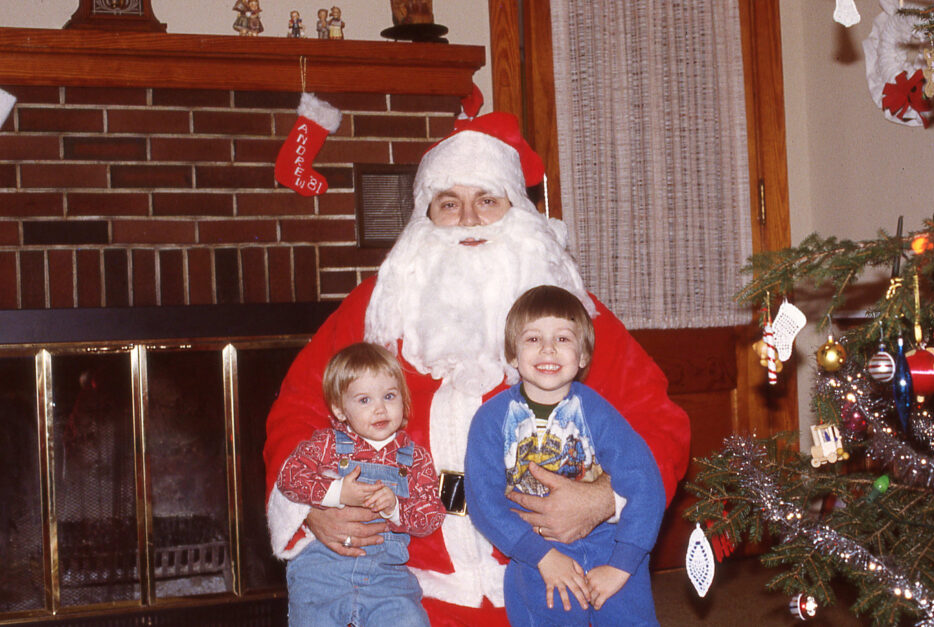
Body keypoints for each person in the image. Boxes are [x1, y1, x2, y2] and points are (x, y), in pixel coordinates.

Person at [264, 90, 691, 626]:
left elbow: (658, 421)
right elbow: (299, 407)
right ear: (426, 217)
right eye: (448, 203)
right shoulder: (376, 306)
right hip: (407, 587)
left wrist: (603, 499)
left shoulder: (567, 313)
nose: (468, 220)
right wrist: (317, 505)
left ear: (518, 211)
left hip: (545, 576)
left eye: (487, 200)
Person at [466, 285, 663, 626]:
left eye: (562, 339)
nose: (547, 349)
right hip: (538, 555)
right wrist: (540, 556)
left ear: (583, 356)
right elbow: (484, 502)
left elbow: (645, 482)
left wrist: (622, 564)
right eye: (532, 339)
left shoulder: (598, 412)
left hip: (611, 546)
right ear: (512, 355)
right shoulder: (491, 419)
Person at [275, 342, 445, 626]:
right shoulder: (327, 444)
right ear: (340, 410)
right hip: (321, 573)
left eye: (389, 396)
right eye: (364, 400)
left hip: (386, 578)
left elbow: (432, 516)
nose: (379, 409)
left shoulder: (415, 459)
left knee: (411, 620)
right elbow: (289, 478)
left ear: (403, 401)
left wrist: (395, 509)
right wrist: (337, 492)